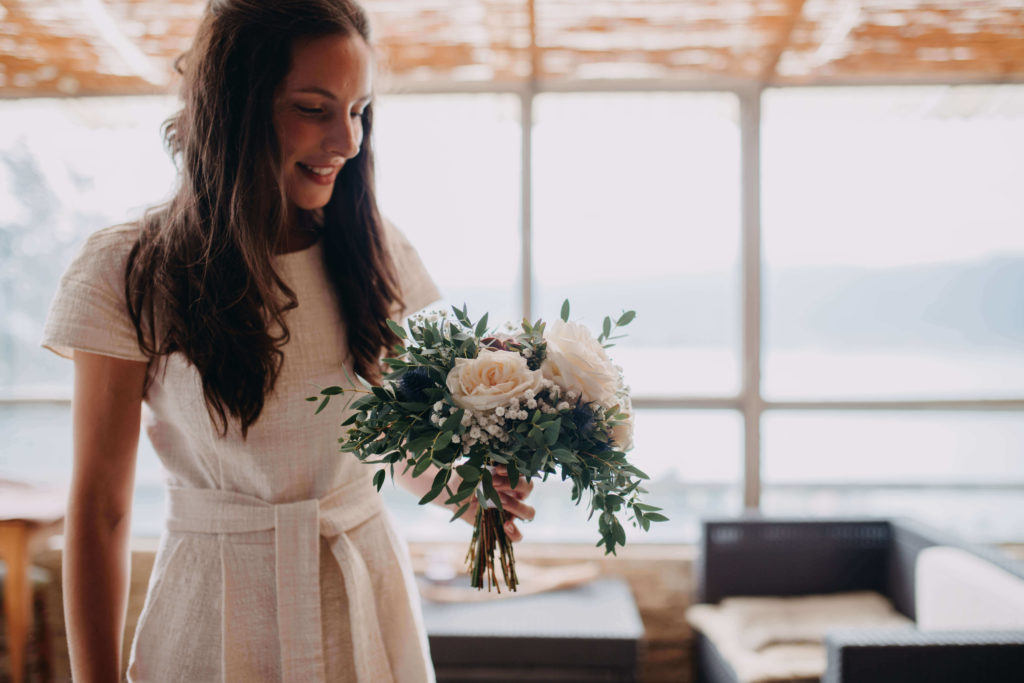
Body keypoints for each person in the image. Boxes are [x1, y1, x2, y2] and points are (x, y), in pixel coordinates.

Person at [40, 1, 535, 681]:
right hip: (212, 614)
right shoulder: (130, 269)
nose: (348, 139)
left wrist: (469, 490)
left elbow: (389, 440)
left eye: (359, 110)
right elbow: (100, 508)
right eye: (314, 107)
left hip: (363, 601)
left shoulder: (374, 249)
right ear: (234, 108)